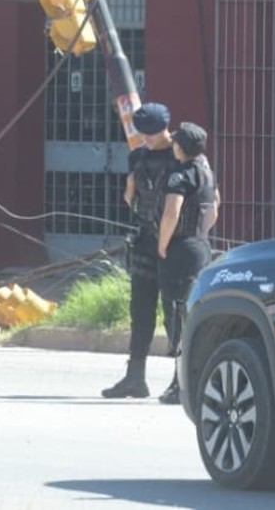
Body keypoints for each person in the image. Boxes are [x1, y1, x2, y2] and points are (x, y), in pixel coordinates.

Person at [101, 101, 176, 399]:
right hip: (145, 241)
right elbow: (131, 202)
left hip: (175, 246)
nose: (146, 138)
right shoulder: (138, 158)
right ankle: (135, 377)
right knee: (141, 312)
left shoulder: (182, 154)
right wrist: (129, 189)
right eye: (143, 133)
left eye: (152, 133)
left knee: (175, 315)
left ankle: (181, 380)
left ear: (164, 129)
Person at [155, 121, 218, 405]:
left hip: (181, 249)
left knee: (177, 315)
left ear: (180, 146)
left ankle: (179, 383)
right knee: (191, 313)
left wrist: (162, 244)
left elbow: (172, 211)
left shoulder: (180, 175)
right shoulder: (206, 170)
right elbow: (215, 205)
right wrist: (201, 235)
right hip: (202, 246)